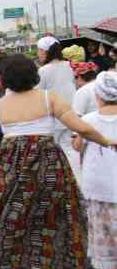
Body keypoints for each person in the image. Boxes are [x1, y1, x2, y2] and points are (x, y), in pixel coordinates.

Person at [0, 54, 114, 269]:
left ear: (5, 79)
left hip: (11, 169)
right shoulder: (49, 98)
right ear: (33, 74)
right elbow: (81, 127)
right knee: (70, 219)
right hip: (49, 167)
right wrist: (106, 141)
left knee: (13, 223)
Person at [74, 71, 117, 269]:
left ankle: (109, 263)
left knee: (102, 223)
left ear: (98, 96)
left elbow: (77, 146)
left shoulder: (89, 119)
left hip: (98, 180)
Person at [37, 36, 80, 177]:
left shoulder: (43, 70)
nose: (38, 54)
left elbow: (38, 94)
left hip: (53, 115)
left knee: (53, 151)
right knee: (70, 148)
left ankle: (60, 179)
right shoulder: (69, 65)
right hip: (71, 112)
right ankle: (77, 179)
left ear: (45, 51)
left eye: (39, 50)